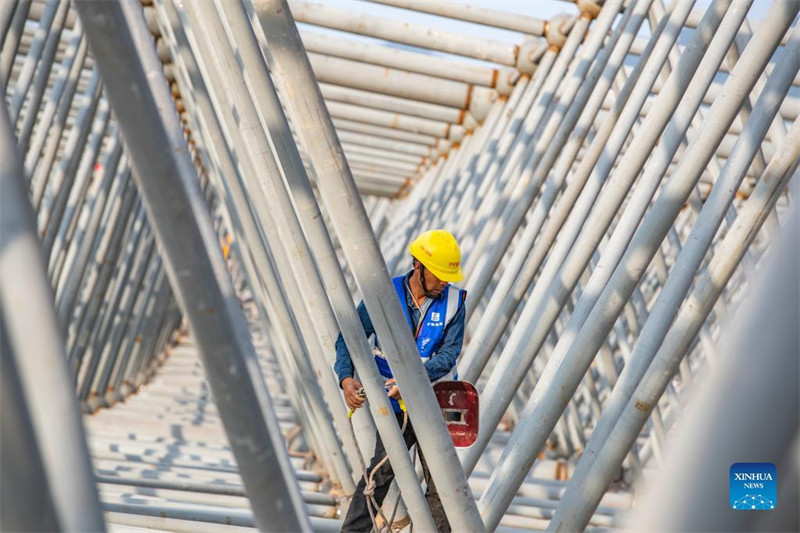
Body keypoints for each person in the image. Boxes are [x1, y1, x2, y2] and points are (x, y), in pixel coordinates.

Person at [334, 229, 467, 533]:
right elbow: (350, 337)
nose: (446, 281)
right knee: (381, 472)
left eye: (449, 275)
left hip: (434, 401)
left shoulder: (454, 302)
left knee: (441, 481)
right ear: (418, 267)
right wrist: (345, 379)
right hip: (396, 405)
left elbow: (449, 354)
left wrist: (412, 379)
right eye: (440, 274)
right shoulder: (384, 295)